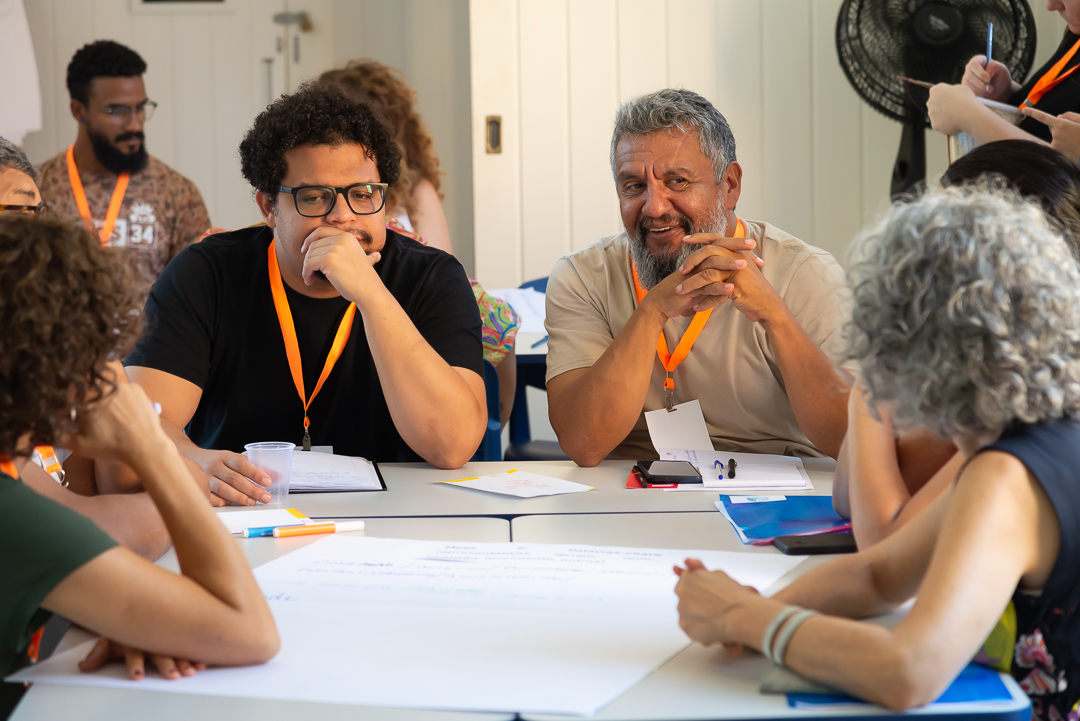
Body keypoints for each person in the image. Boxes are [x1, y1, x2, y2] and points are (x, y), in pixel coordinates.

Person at [675, 188, 1080, 718]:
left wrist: (746, 619)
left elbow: (908, 671)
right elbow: (879, 574)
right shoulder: (1037, 436)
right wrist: (742, 610)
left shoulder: (1005, 476)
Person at [125, 84, 486, 506]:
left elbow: (452, 446)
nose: (343, 216)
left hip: (399, 514)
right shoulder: (205, 274)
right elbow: (138, 423)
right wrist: (193, 459)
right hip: (246, 509)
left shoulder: (432, 277)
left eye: (363, 194)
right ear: (268, 207)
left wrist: (371, 294)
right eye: (315, 197)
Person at [0, 215, 278, 717]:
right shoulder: (10, 511)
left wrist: (140, 616)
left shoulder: (14, 472)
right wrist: (152, 449)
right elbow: (251, 631)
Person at [545, 88, 852, 465]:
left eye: (677, 181)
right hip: (635, 486)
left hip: (777, 484)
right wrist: (653, 311)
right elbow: (583, 443)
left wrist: (776, 317)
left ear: (729, 186)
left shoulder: (805, 273)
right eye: (634, 186)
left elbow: (853, 439)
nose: (654, 208)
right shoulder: (581, 276)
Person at [833, 139, 1080, 548]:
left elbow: (884, 541)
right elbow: (846, 499)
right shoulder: (962, 362)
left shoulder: (1034, 392)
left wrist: (873, 377)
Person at [316, 60, 520, 426]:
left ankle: (491, 427)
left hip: (408, 300)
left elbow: (440, 265)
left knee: (490, 316)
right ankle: (496, 430)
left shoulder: (415, 192)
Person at [1, 136, 171, 558]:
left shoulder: (40, 344)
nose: (35, 232)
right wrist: (170, 471)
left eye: (36, 211)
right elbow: (102, 530)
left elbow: (107, 485)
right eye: (16, 212)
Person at [36, 40, 210, 284]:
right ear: (78, 111)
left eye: (140, 108)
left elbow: (198, 290)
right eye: (117, 111)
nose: (135, 125)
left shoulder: (178, 194)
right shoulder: (37, 190)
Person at [927, 0, 1080, 150]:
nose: (1050, 6)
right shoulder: (1075, 32)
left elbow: (1064, 161)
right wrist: (1006, 94)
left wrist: (969, 117)